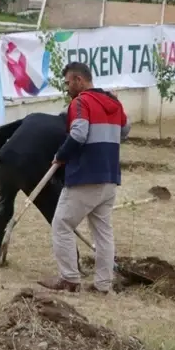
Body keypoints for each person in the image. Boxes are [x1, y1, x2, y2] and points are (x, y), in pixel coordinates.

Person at [39, 62, 130, 294]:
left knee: (61, 224)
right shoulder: (114, 102)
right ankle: (103, 285)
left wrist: (60, 156)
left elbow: (79, 133)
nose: (68, 87)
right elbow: (125, 131)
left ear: (79, 80)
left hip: (85, 176)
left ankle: (69, 280)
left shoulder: (81, 102)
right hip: (109, 177)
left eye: (69, 82)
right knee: (103, 232)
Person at [0, 112, 71, 268]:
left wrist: (0, 153)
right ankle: (73, 264)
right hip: (31, 171)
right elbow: (61, 168)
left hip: (3, 164)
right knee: (57, 216)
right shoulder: (66, 134)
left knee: (4, 206)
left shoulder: (35, 116)